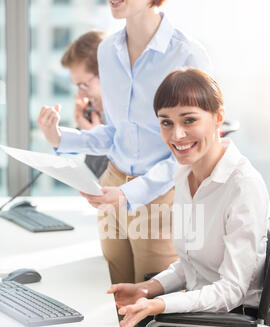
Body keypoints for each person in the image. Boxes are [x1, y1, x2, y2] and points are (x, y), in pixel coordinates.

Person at [37, 0, 212, 286]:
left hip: (161, 196)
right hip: (112, 186)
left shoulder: (188, 53)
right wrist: (61, 137)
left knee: (151, 309)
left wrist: (130, 193)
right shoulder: (107, 51)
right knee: (114, 302)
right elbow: (117, 133)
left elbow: (193, 150)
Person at [107, 68, 270, 327]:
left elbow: (232, 290)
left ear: (218, 117)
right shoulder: (183, 175)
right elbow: (191, 265)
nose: (177, 134)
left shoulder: (243, 186)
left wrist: (161, 304)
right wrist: (147, 289)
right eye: (166, 123)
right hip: (196, 319)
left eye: (189, 120)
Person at [61, 30, 109, 178]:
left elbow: (119, 187)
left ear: (107, 74)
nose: (80, 95)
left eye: (84, 85)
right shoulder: (100, 118)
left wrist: (95, 142)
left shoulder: (137, 117)